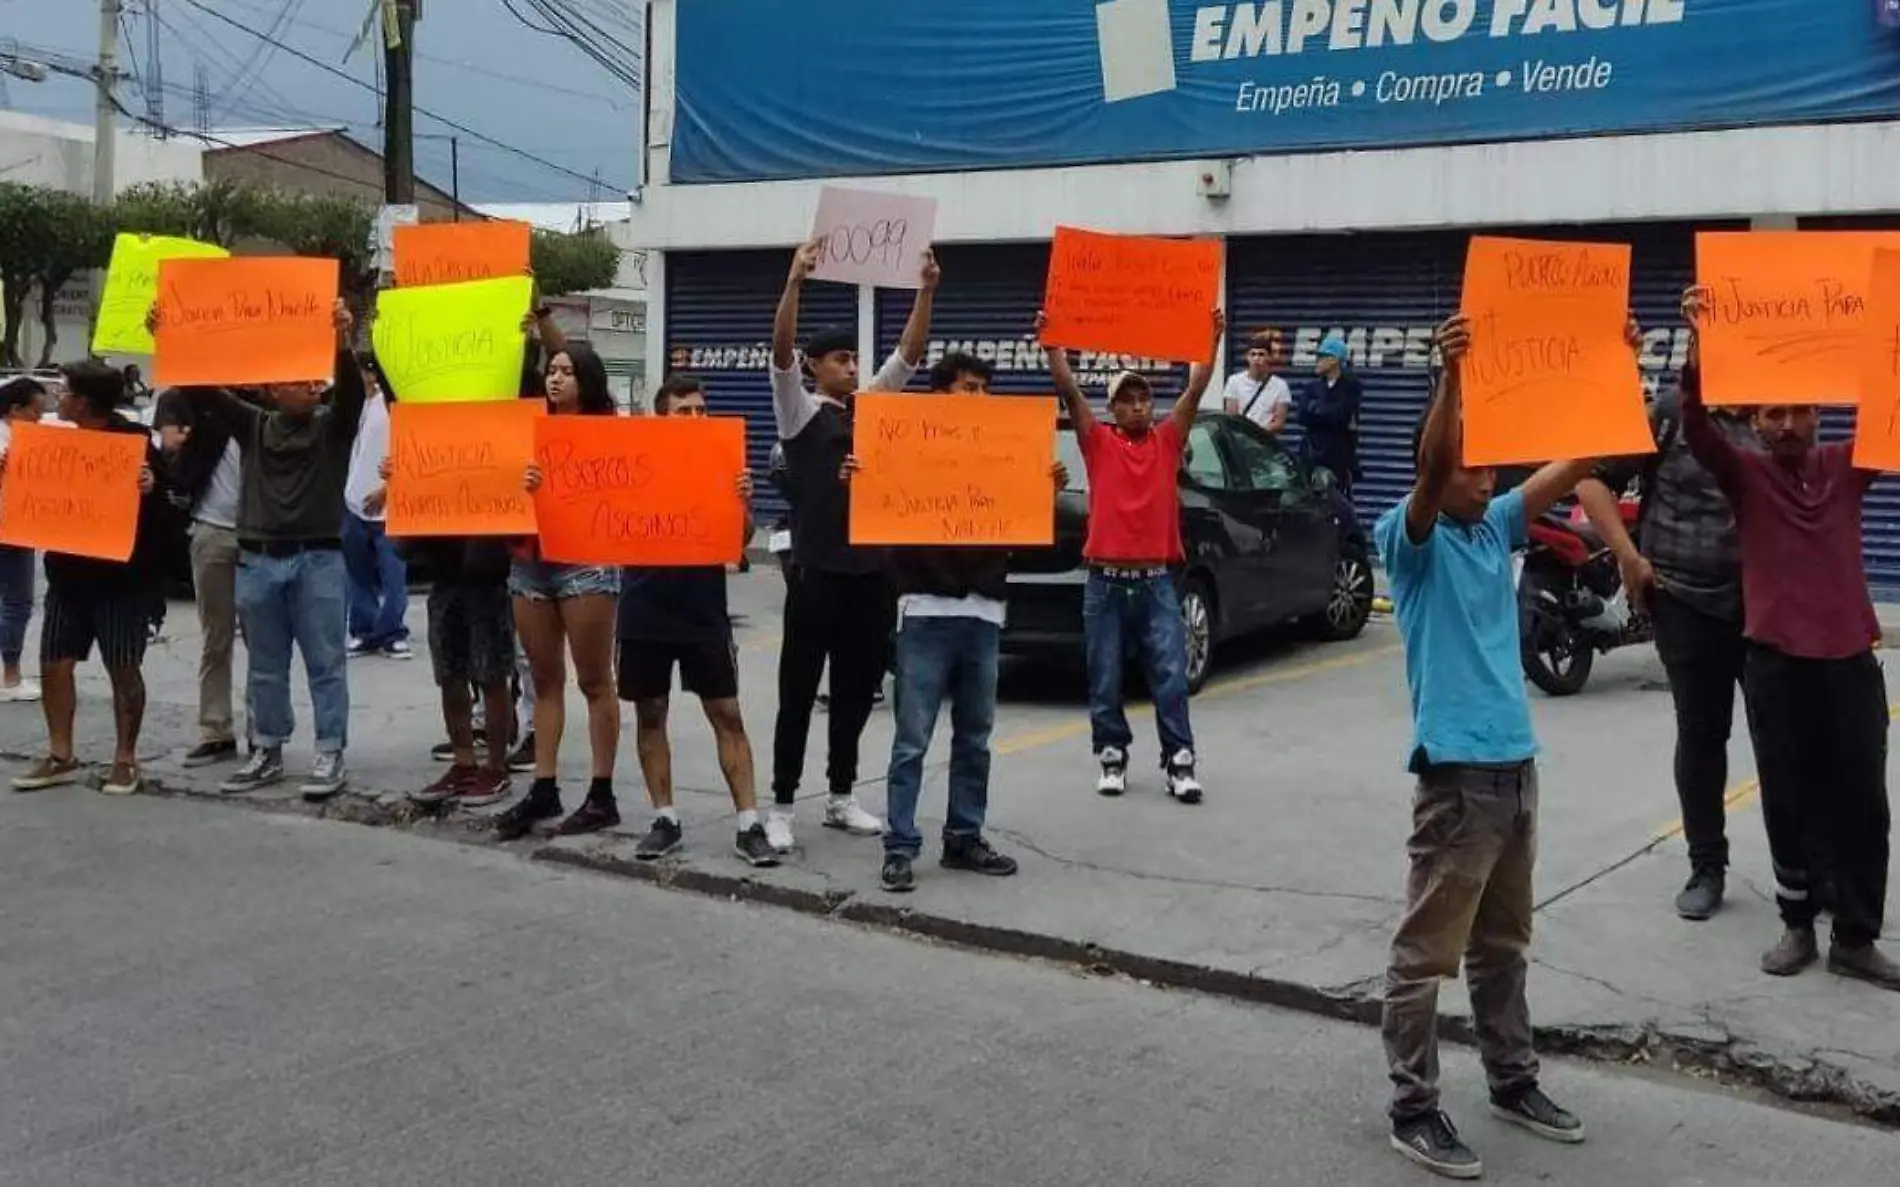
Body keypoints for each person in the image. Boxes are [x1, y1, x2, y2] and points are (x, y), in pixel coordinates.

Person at [1376, 314, 1590, 1179]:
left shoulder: (1491, 522)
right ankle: (1413, 1105)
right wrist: (1453, 376)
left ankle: (1511, 1079)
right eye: (1472, 463)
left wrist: (1609, 361)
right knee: (1425, 951)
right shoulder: (1413, 537)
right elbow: (1433, 470)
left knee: (1503, 944)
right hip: (1458, 778)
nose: (1487, 473)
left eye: (1490, 461)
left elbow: (1574, 464)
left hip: (1515, 769)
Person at [1678, 284, 1899, 992]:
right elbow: (1696, 426)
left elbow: (1889, 404)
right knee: (1787, 796)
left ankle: (1857, 936)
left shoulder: (1847, 466)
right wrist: (1700, 344)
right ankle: (1799, 923)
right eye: (1775, 412)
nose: (1790, 423)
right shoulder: (1743, 475)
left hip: (1850, 662)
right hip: (1776, 663)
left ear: (1820, 414)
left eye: (1802, 409)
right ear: (1756, 419)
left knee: (1864, 801)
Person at [844, 350, 1067, 893]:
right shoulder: (908, 447)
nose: (981, 399)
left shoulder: (1002, 450)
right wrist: (860, 480)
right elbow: (877, 514)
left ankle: (963, 836)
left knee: (975, 737)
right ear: (941, 394)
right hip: (924, 609)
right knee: (912, 739)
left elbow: (1027, 536)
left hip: (983, 611)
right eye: (970, 387)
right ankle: (899, 846)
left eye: (986, 388)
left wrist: (1044, 493)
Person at [764, 241, 938, 853]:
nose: (852, 367)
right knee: (796, 691)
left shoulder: (872, 409)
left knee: (857, 690)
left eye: (854, 358)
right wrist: (794, 282)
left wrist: (926, 291)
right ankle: (782, 803)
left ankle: (840, 795)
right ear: (814, 367)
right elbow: (780, 353)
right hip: (816, 574)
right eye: (840, 359)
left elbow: (909, 358)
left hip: (870, 576)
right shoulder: (800, 414)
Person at [1575, 335, 1753, 921]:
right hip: (1684, 601)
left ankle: (1805, 871)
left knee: (1788, 738)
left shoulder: (1778, 413)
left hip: (1765, 606)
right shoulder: (1671, 413)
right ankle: (1707, 865)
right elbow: (1592, 479)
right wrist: (1628, 555)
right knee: (1702, 737)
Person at [170, 300, 362, 801]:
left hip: (318, 558)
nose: (310, 385)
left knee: (325, 661)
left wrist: (343, 341)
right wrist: (169, 333)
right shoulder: (253, 425)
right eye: (297, 379)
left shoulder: (330, 427)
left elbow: (353, 396)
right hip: (259, 560)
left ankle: (329, 752)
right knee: (266, 664)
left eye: (314, 379)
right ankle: (267, 750)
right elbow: (201, 389)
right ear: (271, 388)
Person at [1041, 308, 1222, 802]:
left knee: (1170, 674)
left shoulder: (1167, 441)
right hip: (1104, 582)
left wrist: (1208, 340)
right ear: (1113, 409)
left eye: (1144, 398)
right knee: (1104, 675)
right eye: (1128, 400)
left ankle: (1179, 760)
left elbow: (1195, 389)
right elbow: (1069, 391)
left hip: (1156, 581)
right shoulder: (1097, 442)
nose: (1138, 406)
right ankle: (1112, 755)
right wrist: (1052, 344)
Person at [621, 375, 778, 867]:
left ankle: (749, 825)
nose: (695, 419)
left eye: (700, 410)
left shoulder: (722, 468)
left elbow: (741, 539)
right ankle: (664, 818)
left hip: (703, 607)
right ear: (660, 419)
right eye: (683, 411)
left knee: (727, 714)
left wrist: (742, 502)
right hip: (644, 606)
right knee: (650, 712)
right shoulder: (633, 468)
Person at [5, 362, 162, 795]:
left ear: (85, 401)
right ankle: (60, 754)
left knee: (123, 667)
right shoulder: (53, 440)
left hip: (121, 581)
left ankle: (126, 759)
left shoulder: (135, 443)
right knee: (55, 663)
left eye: (67, 391)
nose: (60, 398)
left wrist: (151, 487)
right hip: (67, 576)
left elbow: (170, 506)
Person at [494, 343, 624, 841]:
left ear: (587, 380)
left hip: (585, 562)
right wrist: (521, 480)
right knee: (544, 681)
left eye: (568, 372)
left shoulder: (604, 429)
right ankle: (544, 785)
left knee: (595, 680)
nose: (556, 379)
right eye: (551, 370)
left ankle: (601, 792)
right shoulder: (526, 429)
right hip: (531, 563)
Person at [153, 380, 258, 767]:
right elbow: (170, 450)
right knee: (216, 639)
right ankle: (216, 729)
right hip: (212, 532)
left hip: (260, 537)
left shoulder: (265, 411)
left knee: (263, 640)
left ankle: (264, 732)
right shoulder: (196, 406)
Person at [341, 355, 411, 660]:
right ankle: (364, 630)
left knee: (393, 573)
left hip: (387, 507)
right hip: (354, 503)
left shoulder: (390, 405)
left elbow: (408, 451)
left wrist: (387, 489)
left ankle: (392, 632)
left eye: (364, 373)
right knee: (358, 574)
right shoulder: (359, 405)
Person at [0, 377, 47, 703]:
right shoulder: (11, 441)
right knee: (17, 602)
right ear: (15, 409)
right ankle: (11, 675)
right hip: (10, 527)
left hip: (18, 524)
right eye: (35, 412)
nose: (39, 420)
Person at [1297, 331, 1363, 495]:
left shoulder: (1351, 386)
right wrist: (1325, 412)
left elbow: (1341, 416)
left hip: (1338, 459)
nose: (1317, 362)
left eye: (1321, 357)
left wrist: (1316, 410)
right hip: (1311, 456)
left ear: (1334, 360)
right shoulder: (1312, 387)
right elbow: (1301, 415)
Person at [1221, 329, 1292, 433]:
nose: (1256, 358)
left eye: (1261, 354)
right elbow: (1232, 416)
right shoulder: (1234, 381)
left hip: (1265, 441)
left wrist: (1257, 433)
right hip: (1241, 439)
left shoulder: (1280, 385)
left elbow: (1279, 423)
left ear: (1269, 357)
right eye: (1253, 354)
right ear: (1247, 357)